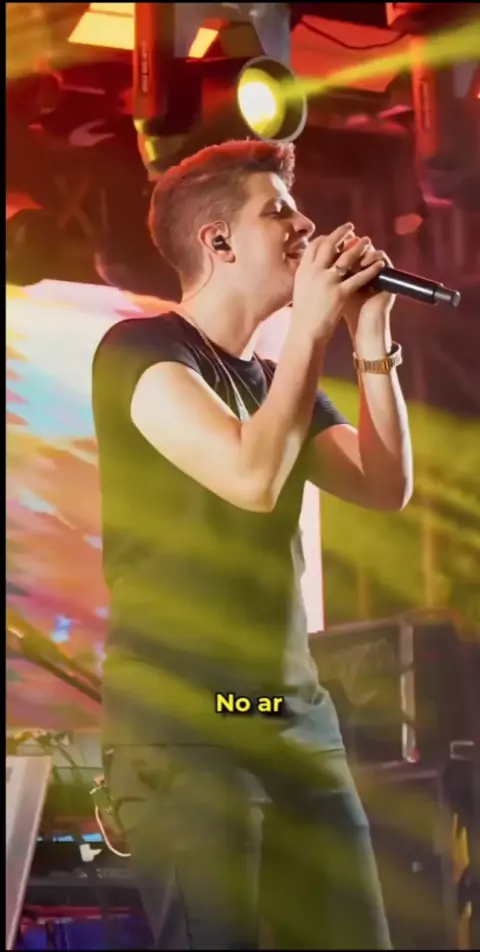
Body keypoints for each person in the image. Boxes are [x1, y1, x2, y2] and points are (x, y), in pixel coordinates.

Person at [92, 139, 413, 950]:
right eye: (279, 211)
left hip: (292, 718)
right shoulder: (140, 352)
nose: (305, 226)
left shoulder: (276, 384)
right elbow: (252, 476)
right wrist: (310, 327)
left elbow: (385, 484)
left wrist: (369, 336)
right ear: (218, 242)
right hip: (189, 729)